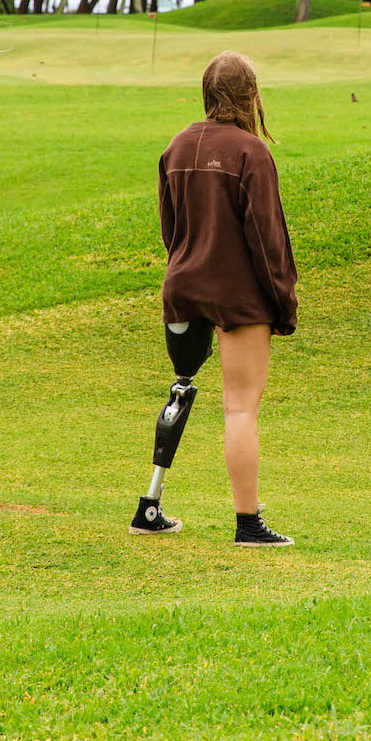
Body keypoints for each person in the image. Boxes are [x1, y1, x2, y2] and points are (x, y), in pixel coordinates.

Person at [131, 50, 299, 547]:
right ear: (251, 95)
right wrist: (283, 304)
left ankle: (150, 506)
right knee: (240, 408)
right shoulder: (252, 151)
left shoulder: (176, 146)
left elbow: (170, 229)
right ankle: (248, 523)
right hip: (237, 297)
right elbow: (268, 241)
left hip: (182, 288)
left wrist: (186, 269)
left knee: (181, 389)